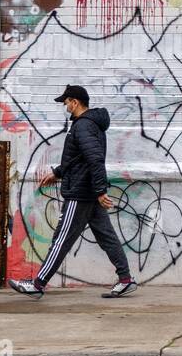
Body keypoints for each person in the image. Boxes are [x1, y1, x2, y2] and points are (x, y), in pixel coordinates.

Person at [8, 85, 137, 299]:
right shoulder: (87, 125)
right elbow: (77, 158)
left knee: (61, 239)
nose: (65, 106)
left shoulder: (83, 126)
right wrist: (58, 173)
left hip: (80, 193)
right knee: (107, 237)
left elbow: (94, 158)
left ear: (75, 102)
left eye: (66, 102)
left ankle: (38, 284)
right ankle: (125, 280)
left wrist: (100, 190)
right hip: (87, 191)